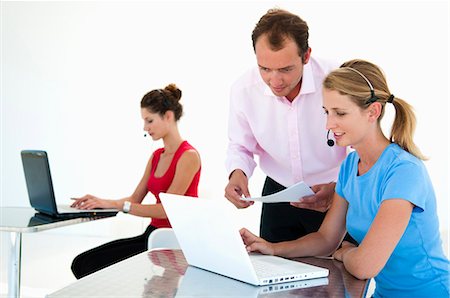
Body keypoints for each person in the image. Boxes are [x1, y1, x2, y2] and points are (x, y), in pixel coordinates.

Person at [240, 59, 450, 297]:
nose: (329, 124)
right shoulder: (350, 166)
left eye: (340, 113)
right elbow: (326, 239)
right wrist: (272, 248)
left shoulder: (404, 171)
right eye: (326, 112)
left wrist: (345, 253)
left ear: (373, 112)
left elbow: (365, 265)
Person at [225, 8, 348, 243]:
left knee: (340, 274)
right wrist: (237, 174)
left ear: (306, 55)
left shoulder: (337, 78)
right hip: (278, 195)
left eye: (285, 69)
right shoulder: (242, 90)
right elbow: (240, 145)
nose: (275, 80)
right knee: (273, 271)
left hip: (337, 190)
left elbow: (360, 143)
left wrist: (341, 188)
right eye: (265, 69)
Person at [70, 84, 201, 279]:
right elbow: (135, 199)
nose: (145, 128)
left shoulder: (189, 156)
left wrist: (121, 206)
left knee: (88, 265)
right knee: (81, 263)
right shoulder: (157, 156)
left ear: (168, 116)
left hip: (172, 239)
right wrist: (102, 202)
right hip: (152, 233)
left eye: (149, 120)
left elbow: (167, 210)